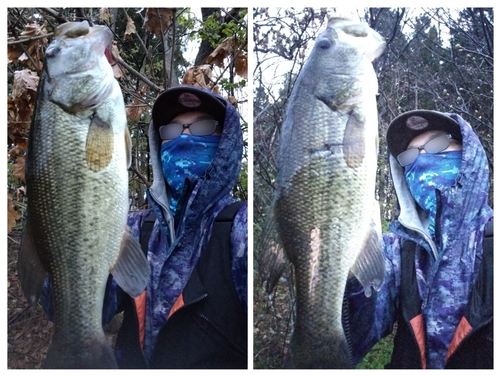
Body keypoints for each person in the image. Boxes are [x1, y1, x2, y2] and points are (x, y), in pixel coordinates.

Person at [42, 85, 248, 368]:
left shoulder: (241, 228)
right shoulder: (132, 229)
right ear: (158, 143)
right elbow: (64, 307)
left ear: (226, 142)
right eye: (172, 130)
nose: (184, 136)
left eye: (201, 126)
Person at [346, 110, 493, 369]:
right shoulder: (396, 251)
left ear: (468, 153)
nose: (422, 160)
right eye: (410, 156)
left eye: (437, 144)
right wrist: (346, 265)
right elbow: (354, 334)